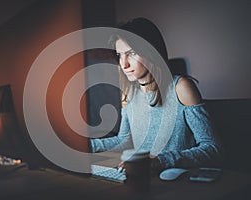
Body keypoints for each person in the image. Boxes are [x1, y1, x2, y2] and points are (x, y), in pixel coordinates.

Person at [89, 17, 223, 172]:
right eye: (120, 55)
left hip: (178, 182)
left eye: (131, 53)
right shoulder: (128, 93)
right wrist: (87, 145)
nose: (124, 64)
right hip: (145, 178)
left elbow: (214, 149)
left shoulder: (181, 87)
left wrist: (161, 161)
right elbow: (125, 141)